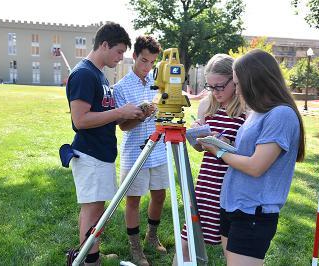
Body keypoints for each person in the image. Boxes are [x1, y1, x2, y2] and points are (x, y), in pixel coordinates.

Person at [199, 49, 306, 265]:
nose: (236, 90)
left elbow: (256, 166)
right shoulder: (258, 112)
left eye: (238, 84)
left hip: (253, 212)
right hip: (233, 206)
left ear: (254, 81)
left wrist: (217, 150)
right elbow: (246, 153)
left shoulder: (281, 114)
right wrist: (222, 143)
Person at [66, 22, 144, 266]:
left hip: (101, 153)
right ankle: (89, 261)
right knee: (91, 210)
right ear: (104, 45)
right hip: (90, 154)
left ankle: (91, 251)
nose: (121, 58)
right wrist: (120, 111)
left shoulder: (99, 74)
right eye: (119, 52)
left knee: (96, 209)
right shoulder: (84, 74)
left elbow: (102, 114)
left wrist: (129, 115)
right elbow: (80, 120)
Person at [179, 54, 246, 262]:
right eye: (210, 87)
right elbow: (201, 150)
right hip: (207, 182)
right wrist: (197, 137)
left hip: (229, 184)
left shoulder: (246, 109)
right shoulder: (207, 106)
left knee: (232, 249)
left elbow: (246, 154)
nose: (215, 92)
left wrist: (223, 141)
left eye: (219, 86)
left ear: (234, 80)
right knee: (187, 240)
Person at [113, 36, 168, 266]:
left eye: (152, 63)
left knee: (160, 195)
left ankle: (151, 237)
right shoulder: (121, 87)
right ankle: (135, 248)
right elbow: (123, 126)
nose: (147, 67)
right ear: (134, 56)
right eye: (144, 61)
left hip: (159, 150)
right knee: (133, 201)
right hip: (135, 152)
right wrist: (142, 114)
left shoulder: (158, 82)